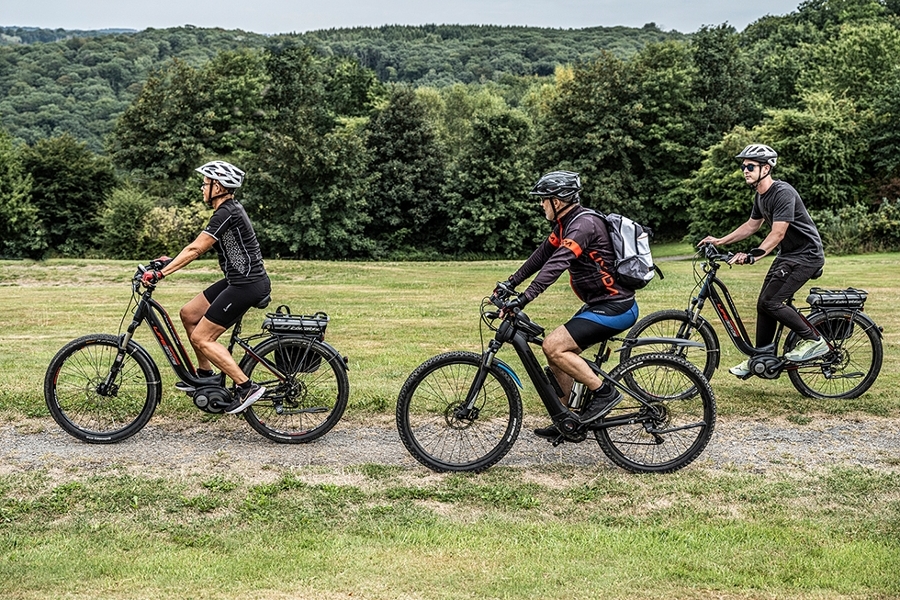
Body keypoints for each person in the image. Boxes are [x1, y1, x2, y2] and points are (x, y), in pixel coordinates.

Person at [499, 170, 639, 439]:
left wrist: (526, 297)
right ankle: (567, 419)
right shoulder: (566, 224)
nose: (541, 204)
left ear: (558, 200)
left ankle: (604, 392)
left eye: (544, 199)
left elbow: (558, 263)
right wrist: (509, 283)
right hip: (600, 304)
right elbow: (541, 256)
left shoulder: (583, 225)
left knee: (554, 345)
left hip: (616, 306)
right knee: (555, 355)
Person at [141, 160, 271, 414]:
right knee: (189, 313)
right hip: (238, 280)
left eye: (206, 183)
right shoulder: (226, 211)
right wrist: (167, 262)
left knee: (202, 337)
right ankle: (206, 375)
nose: (202, 187)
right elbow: (193, 246)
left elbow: (197, 248)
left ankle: (246, 386)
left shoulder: (227, 212)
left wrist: (162, 274)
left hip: (247, 284)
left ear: (219, 187)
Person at [699, 144, 827, 377]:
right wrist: (719, 241)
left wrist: (752, 256)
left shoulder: (782, 193)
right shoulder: (761, 196)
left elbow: (777, 233)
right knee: (763, 303)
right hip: (789, 255)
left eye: (750, 166)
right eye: (743, 166)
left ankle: (815, 340)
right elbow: (751, 226)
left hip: (807, 256)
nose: (745, 170)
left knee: (772, 302)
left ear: (766, 168)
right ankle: (761, 357)